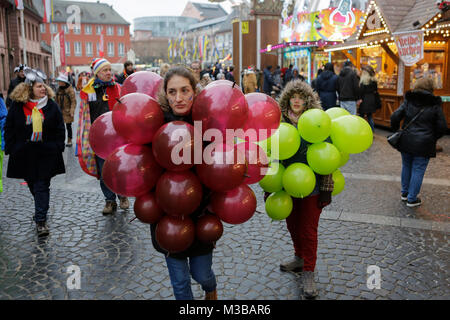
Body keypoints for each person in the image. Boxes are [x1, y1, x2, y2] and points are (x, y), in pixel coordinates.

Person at [153, 66, 218, 300]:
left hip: (201, 214)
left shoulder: (210, 123)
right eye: (172, 92)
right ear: (165, 94)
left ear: (194, 91)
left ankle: (211, 288)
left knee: (202, 274)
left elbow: (221, 167)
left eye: (184, 90)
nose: (178, 98)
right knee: (180, 284)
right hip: (169, 215)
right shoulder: (154, 124)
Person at [270, 79, 334, 299]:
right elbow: (273, 155)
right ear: (287, 99)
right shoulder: (278, 121)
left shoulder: (317, 121)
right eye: (292, 97)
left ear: (308, 99)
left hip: (313, 185)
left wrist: (326, 188)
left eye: (300, 97)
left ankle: (308, 272)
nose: (296, 101)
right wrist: (271, 186)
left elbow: (326, 155)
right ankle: (299, 258)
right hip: (286, 184)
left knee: (308, 230)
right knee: (293, 225)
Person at [4, 69, 65, 236]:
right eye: (39, 86)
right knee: (33, 183)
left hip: (46, 152)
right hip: (25, 153)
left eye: (43, 86)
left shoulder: (51, 105)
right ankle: (41, 208)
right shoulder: (18, 106)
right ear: (30, 89)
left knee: (41, 185)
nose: (43, 89)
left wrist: (58, 146)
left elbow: (60, 127)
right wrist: (10, 146)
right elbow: (9, 127)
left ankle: (41, 220)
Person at [77, 58, 129, 215]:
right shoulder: (88, 91)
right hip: (99, 139)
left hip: (117, 137)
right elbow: (84, 116)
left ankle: (122, 196)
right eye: (105, 70)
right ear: (97, 73)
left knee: (120, 169)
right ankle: (110, 201)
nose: (109, 73)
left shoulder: (119, 88)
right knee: (104, 171)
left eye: (109, 70)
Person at [390, 77, 447, 207]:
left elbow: (395, 116)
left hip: (407, 140)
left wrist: (396, 129)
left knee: (406, 165)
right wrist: (433, 137)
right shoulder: (434, 103)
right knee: (418, 169)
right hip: (424, 143)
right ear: (431, 88)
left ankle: (404, 194)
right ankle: (412, 199)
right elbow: (443, 126)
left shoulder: (409, 100)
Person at [55, 73, 77, 147]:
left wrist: (72, 111)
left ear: (64, 82)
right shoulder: (58, 90)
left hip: (67, 112)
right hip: (60, 111)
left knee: (68, 126)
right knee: (60, 127)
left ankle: (69, 140)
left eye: (60, 81)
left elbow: (73, 101)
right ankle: (61, 140)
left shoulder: (70, 90)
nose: (59, 83)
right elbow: (56, 100)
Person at [358, 65, 380, 131]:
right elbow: (376, 90)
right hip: (372, 99)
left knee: (361, 116)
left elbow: (361, 92)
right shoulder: (374, 81)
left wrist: (359, 99)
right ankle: (372, 130)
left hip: (365, 99)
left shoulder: (363, 82)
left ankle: (360, 130)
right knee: (370, 116)